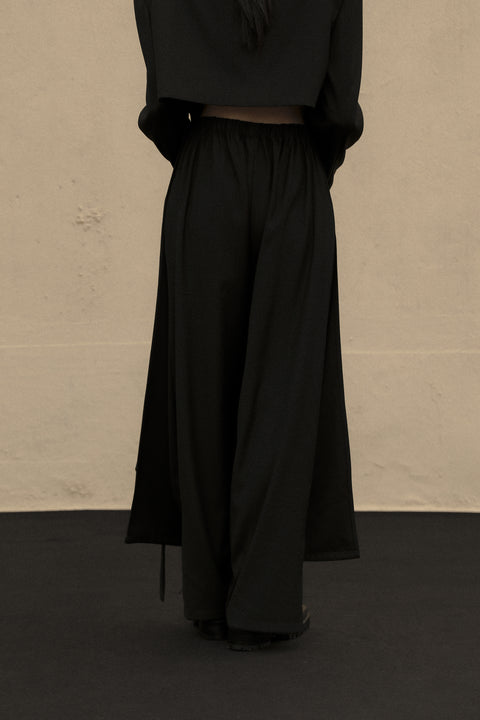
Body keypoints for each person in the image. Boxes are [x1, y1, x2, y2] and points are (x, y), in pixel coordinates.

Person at [124, 0, 364, 651]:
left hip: (205, 171)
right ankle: (262, 603)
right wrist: (310, 169)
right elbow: (340, 106)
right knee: (283, 393)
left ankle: (208, 598)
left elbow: (160, 97)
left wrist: (201, 158)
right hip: (295, 170)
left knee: (201, 386)